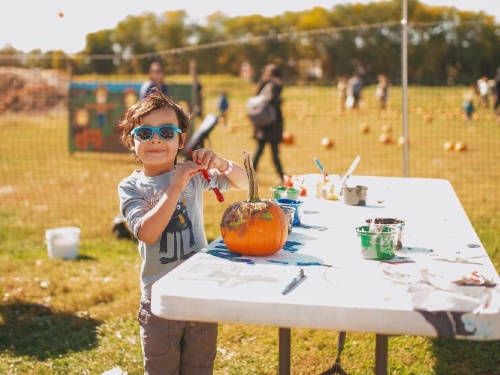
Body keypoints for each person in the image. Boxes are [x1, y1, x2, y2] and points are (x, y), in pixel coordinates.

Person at [117, 88, 248, 375]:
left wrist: (222, 164)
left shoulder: (195, 175)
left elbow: (243, 182)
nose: (155, 139)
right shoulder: (132, 187)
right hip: (159, 302)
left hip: (199, 295)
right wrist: (176, 184)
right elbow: (147, 233)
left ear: (180, 140)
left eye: (166, 132)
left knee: (199, 368)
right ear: (131, 140)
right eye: (144, 133)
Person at [251, 64, 286, 184]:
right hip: (272, 126)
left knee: (259, 151)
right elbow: (273, 101)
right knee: (274, 153)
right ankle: (282, 177)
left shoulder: (263, 84)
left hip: (263, 124)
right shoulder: (273, 86)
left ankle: (252, 176)